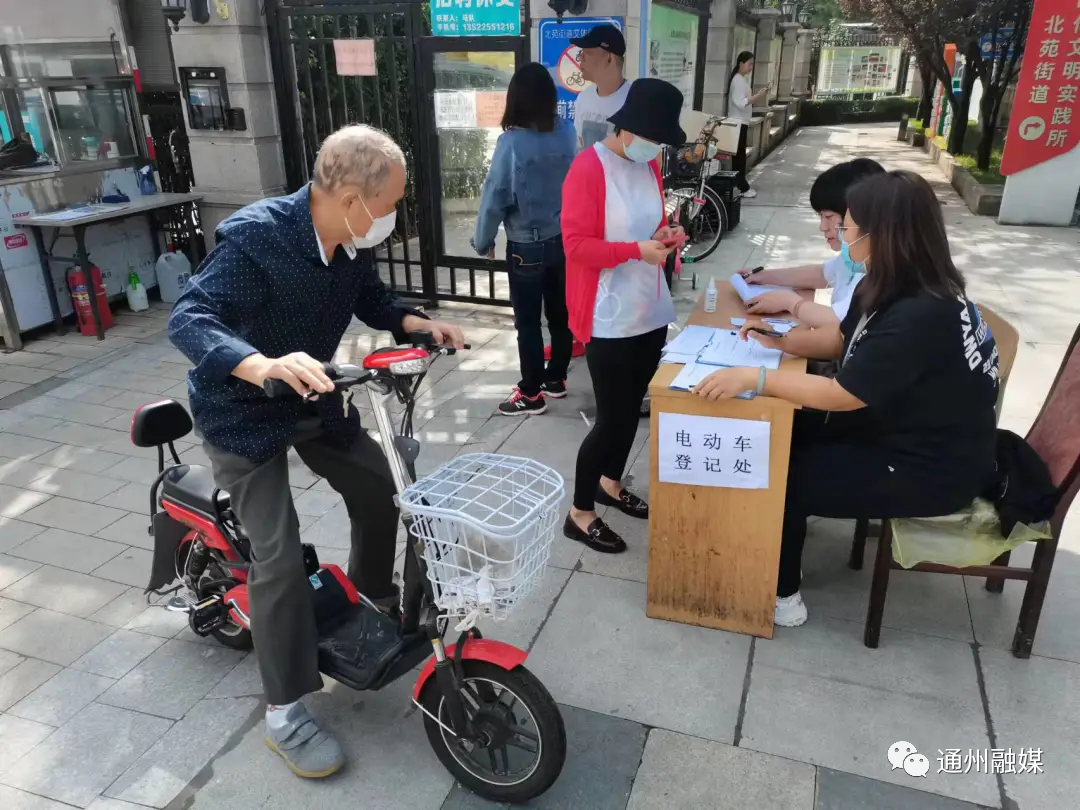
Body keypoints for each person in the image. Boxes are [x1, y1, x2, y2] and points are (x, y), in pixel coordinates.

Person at [168, 124, 466, 778]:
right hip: (242, 412)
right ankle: (284, 713)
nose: (391, 218)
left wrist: (419, 324)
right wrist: (258, 364)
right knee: (277, 553)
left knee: (384, 487)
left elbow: (372, 300)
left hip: (312, 396)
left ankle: (371, 601)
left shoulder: (350, 244)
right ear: (353, 197)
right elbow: (190, 318)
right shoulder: (258, 239)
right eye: (388, 206)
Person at [694, 171, 999, 627]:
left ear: (884, 235)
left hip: (930, 466)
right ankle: (764, 542)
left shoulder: (921, 311)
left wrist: (755, 377)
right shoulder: (893, 282)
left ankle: (782, 596)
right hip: (900, 426)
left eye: (849, 227)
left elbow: (843, 393)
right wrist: (776, 343)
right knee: (782, 432)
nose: (842, 236)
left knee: (782, 474)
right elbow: (840, 340)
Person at [561, 78, 686, 553]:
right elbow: (575, 246)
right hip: (606, 313)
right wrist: (636, 249)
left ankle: (610, 483)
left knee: (633, 407)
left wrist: (665, 234)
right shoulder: (588, 168)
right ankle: (579, 511)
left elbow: (647, 225)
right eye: (655, 138)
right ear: (629, 129)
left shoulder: (648, 164)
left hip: (647, 307)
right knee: (611, 418)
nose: (658, 149)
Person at [471, 63, 576, 416]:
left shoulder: (511, 142)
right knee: (560, 315)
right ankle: (556, 379)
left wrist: (483, 241)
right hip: (563, 240)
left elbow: (496, 195)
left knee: (528, 322)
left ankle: (530, 393)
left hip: (526, 245)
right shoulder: (567, 133)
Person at [740, 158, 886, 329]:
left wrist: (790, 303)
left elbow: (841, 327)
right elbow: (824, 273)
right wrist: (764, 276)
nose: (822, 227)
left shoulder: (876, 272)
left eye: (829, 217)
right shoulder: (855, 258)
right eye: (821, 217)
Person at [571, 24, 633, 152]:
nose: (580, 59)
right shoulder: (584, 98)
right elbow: (579, 148)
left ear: (610, 58)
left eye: (588, 53)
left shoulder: (635, 100)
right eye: (580, 53)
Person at [727, 51, 769, 199]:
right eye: (749, 64)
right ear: (741, 63)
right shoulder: (738, 80)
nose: (751, 67)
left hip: (740, 123)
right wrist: (758, 97)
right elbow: (740, 102)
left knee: (739, 157)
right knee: (739, 158)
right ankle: (742, 187)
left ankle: (739, 185)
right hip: (738, 123)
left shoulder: (740, 79)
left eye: (752, 64)